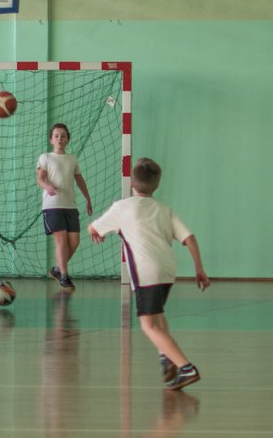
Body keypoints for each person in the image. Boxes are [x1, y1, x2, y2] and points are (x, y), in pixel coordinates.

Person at [87, 157, 208, 389]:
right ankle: (166, 357)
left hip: (146, 271)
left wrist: (96, 232)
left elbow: (92, 228)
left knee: (148, 325)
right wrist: (199, 269)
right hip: (167, 270)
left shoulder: (123, 207)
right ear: (157, 184)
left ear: (132, 182)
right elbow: (190, 238)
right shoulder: (164, 210)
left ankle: (186, 368)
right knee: (158, 315)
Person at [36, 122, 93, 292]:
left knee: (74, 242)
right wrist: (47, 186)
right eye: (56, 136)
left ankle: (57, 269)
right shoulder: (45, 157)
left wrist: (88, 198)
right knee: (61, 241)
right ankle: (64, 276)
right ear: (51, 139)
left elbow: (80, 180)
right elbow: (40, 179)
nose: (60, 139)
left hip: (70, 206)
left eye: (63, 136)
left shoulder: (72, 159)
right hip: (52, 206)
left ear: (68, 139)